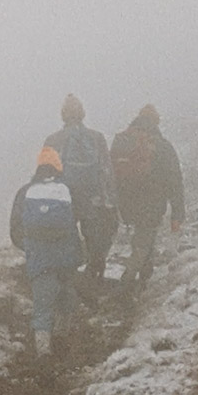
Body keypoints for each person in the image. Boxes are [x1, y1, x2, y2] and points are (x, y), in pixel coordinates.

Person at [10, 146, 83, 357]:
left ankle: (44, 353)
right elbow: (83, 219)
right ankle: (62, 337)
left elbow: (15, 230)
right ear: (58, 166)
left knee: (42, 306)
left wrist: (32, 247)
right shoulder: (69, 189)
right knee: (67, 297)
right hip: (66, 256)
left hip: (39, 260)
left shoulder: (25, 192)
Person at [109, 104, 185, 295]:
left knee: (145, 239)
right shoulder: (162, 145)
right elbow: (174, 180)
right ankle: (126, 285)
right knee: (143, 242)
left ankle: (143, 282)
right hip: (151, 202)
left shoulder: (122, 141)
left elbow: (110, 172)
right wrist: (177, 213)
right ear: (156, 121)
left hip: (126, 202)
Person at [43, 94, 117, 284]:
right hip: (92, 197)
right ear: (82, 114)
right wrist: (109, 199)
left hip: (64, 197)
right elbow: (106, 170)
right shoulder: (96, 137)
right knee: (94, 238)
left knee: (66, 237)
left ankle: (67, 281)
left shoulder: (53, 140)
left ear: (63, 115)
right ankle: (95, 275)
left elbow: (43, 173)